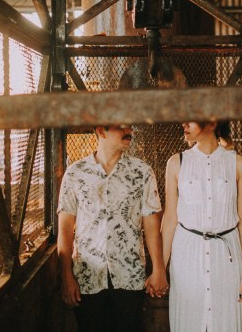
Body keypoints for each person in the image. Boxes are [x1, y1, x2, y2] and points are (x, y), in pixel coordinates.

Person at [57, 124, 168, 332]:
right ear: (101, 131)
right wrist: (66, 276)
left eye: (130, 127)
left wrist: (158, 269)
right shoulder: (75, 174)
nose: (129, 131)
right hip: (87, 277)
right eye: (121, 127)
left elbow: (152, 226)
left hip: (129, 275)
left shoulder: (142, 172)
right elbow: (64, 229)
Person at [162, 121, 242, 331]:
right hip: (187, 256)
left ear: (211, 123)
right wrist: (160, 268)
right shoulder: (176, 163)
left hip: (227, 257)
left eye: (191, 119)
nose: (184, 124)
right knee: (188, 322)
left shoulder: (237, 163)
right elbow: (170, 218)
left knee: (227, 322)